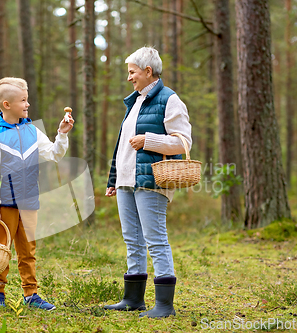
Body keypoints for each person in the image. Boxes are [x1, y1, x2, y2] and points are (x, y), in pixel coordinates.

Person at [104, 47, 192, 318]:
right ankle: (133, 299)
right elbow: (123, 147)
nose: (129, 78)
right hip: (126, 181)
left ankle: (164, 305)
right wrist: (114, 179)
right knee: (132, 239)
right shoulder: (135, 102)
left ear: (147, 71)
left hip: (152, 181)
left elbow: (183, 141)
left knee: (155, 240)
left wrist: (148, 140)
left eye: (132, 72)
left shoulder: (169, 99)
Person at [0, 77, 74, 311]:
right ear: (6, 105)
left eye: (27, 100)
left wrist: (62, 134)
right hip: (5, 204)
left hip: (30, 202)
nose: (27, 105)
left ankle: (31, 294)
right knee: (0, 249)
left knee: (28, 250)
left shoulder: (32, 130)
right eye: (23, 100)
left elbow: (54, 154)